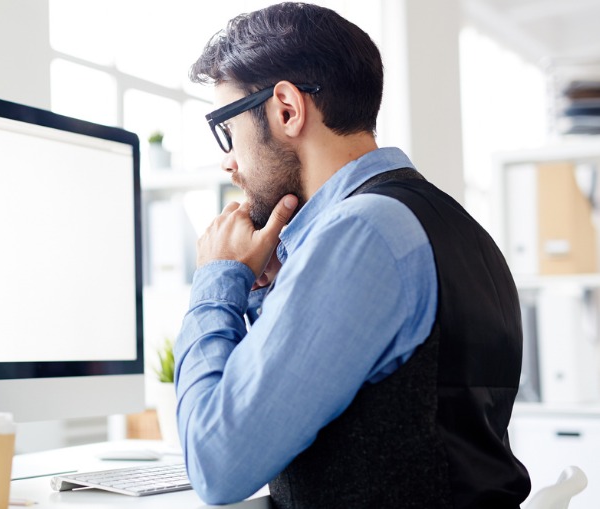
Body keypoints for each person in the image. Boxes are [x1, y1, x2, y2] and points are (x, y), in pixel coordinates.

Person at [173, 3, 531, 508]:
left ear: (287, 110)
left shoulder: (360, 233)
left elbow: (216, 466)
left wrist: (216, 279)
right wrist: (269, 289)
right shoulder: (440, 221)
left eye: (228, 130)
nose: (228, 161)